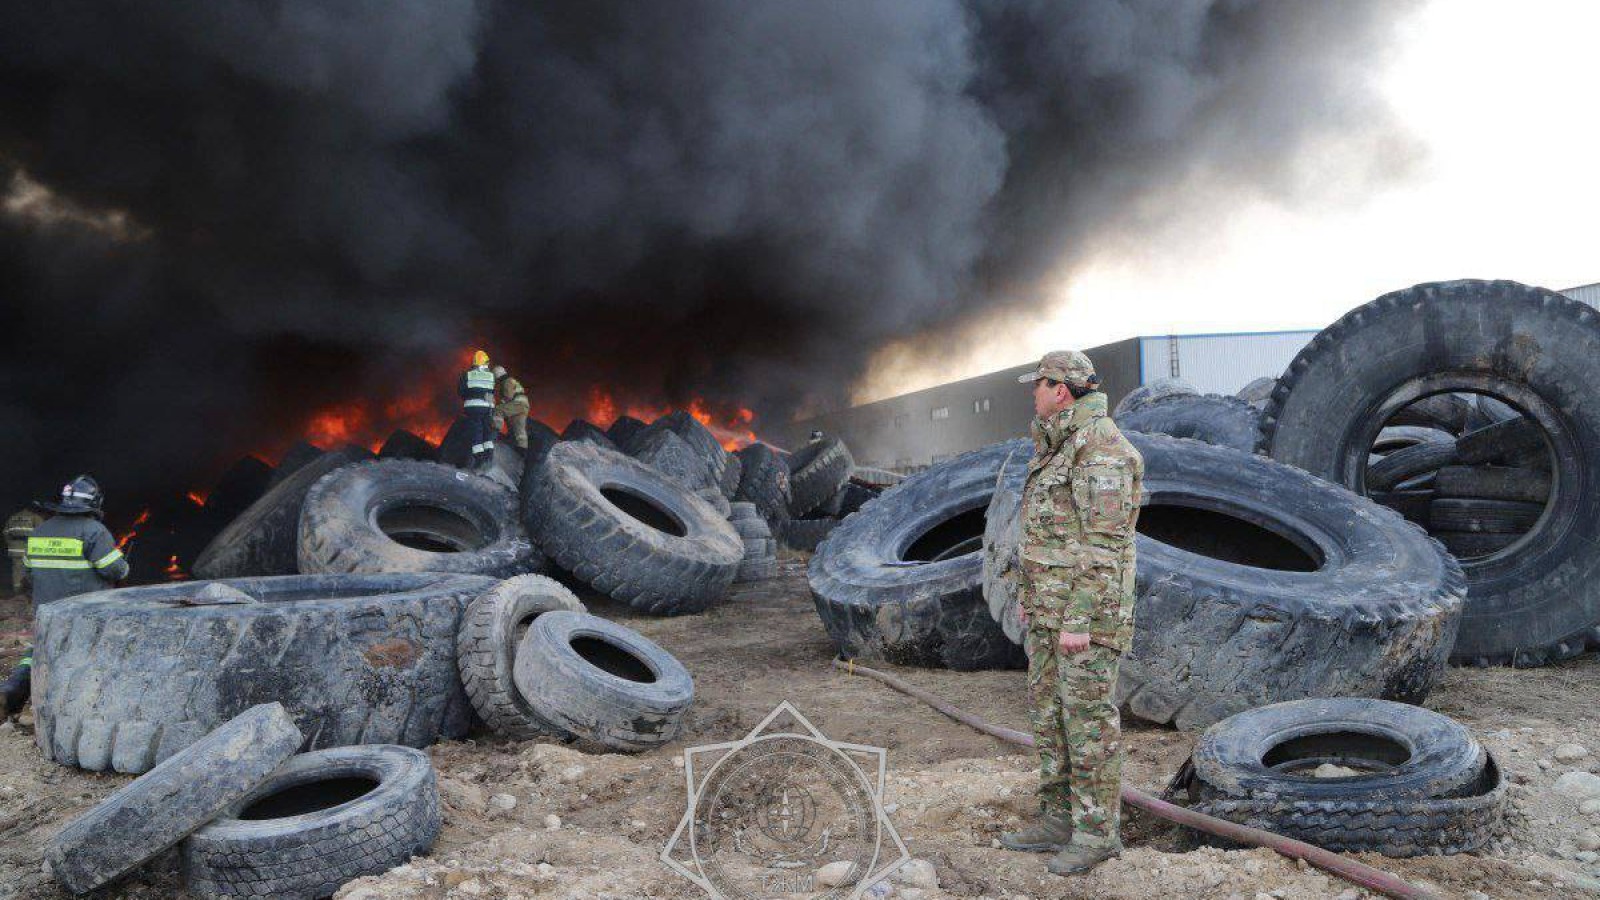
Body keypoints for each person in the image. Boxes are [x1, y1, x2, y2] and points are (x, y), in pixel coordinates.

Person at [999, 350, 1143, 876]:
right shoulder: (1059, 446)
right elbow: (1052, 534)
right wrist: (1030, 594)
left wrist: (1079, 618)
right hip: (1049, 613)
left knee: (1087, 723)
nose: (1031, 393)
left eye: (1036, 384)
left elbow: (1104, 546)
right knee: (1050, 716)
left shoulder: (1100, 450)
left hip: (1085, 619)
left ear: (1061, 389)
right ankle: (1060, 817)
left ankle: (1096, 832)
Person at [4, 476, 129, 716]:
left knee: (39, 650)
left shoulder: (40, 531)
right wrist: (125, 567)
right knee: (87, 655)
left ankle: (13, 688)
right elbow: (114, 569)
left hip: (46, 612)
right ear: (94, 502)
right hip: (84, 613)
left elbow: (29, 572)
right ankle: (80, 706)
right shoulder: (94, 531)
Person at [458, 350, 497, 470]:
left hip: (473, 408)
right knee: (487, 431)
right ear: (486, 362)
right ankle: (489, 455)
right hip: (487, 408)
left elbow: (461, 392)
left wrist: (470, 397)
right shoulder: (491, 375)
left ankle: (479, 459)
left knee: (476, 432)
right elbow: (491, 393)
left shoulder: (467, 375)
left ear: (474, 362)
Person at [4, 506, 44, 596]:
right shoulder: (35, 517)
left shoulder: (12, 517)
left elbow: (5, 533)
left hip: (15, 549)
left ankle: (17, 592)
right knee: (33, 571)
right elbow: (42, 533)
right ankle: (30, 593)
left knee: (17, 570)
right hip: (31, 550)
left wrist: (11, 544)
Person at [491, 364, 531, 450]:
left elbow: (508, 396)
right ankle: (522, 450)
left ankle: (495, 432)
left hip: (517, 403)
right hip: (524, 405)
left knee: (498, 410)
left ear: (497, 376)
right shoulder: (512, 380)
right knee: (519, 429)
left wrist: (500, 403)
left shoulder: (507, 382)